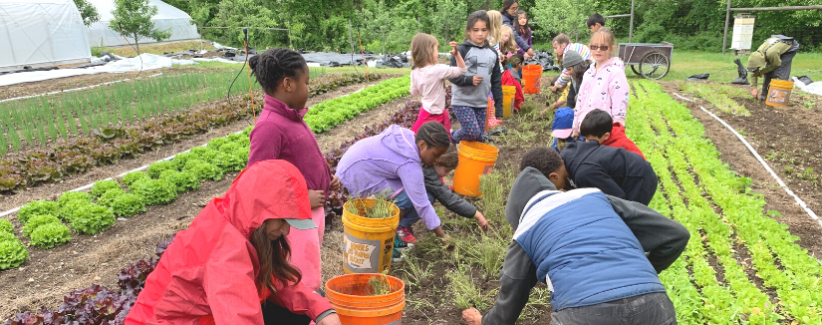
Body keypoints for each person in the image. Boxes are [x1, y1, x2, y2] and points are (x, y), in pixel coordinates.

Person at [461, 147, 689, 325]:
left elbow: (512, 293)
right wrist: (641, 272)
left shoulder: (527, 227)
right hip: (655, 306)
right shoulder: (594, 196)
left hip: (586, 314)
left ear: (518, 213)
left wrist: (487, 321)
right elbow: (676, 234)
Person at [125, 160, 341, 325]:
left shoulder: (240, 218)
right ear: (261, 212)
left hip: (204, 315)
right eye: (283, 220)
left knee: (306, 305)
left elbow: (276, 279)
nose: (286, 230)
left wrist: (321, 309)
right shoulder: (224, 254)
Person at [246, 48, 341, 292]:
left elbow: (302, 160)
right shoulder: (269, 127)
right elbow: (256, 185)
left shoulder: (291, 117)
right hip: (292, 222)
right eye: (306, 82)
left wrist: (326, 179)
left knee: (309, 273)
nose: (309, 89)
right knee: (300, 282)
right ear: (288, 84)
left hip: (309, 215)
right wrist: (300, 198)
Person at [336, 122, 452, 247]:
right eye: (435, 155)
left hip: (351, 165)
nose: (437, 160)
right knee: (405, 197)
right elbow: (422, 203)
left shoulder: (407, 138)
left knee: (418, 191)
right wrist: (442, 235)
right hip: (356, 176)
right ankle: (390, 234)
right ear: (422, 145)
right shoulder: (409, 163)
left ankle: (398, 226)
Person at [560, 128, 657, 205]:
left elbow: (618, 199)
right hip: (630, 170)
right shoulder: (567, 153)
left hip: (641, 179)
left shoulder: (584, 173)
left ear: (554, 176)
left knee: (627, 218)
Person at [449, 10, 503, 143]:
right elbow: (451, 74)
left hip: (481, 102)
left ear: (488, 30)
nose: (480, 33)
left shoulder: (492, 53)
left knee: (479, 138)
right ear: (469, 31)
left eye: (484, 30)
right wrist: (468, 80)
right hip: (462, 101)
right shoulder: (462, 50)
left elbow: (496, 80)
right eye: (476, 30)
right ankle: (451, 137)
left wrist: (499, 106)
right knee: (471, 131)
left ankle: (469, 161)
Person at [574, 28, 630, 138]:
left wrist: (617, 130)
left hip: (602, 134)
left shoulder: (615, 73)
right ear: (590, 47)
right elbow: (580, 101)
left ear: (611, 49)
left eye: (603, 47)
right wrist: (576, 127)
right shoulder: (588, 73)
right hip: (584, 130)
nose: (598, 50)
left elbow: (620, 104)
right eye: (594, 47)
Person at [421, 145, 489, 231]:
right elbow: (450, 200)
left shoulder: (423, 158)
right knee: (428, 197)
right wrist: (477, 214)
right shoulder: (428, 173)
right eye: (447, 170)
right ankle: (403, 226)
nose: (446, 175)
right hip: (400, 196)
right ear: (436, 162)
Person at [409, 33, 466, 134]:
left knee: (422, 139)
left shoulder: (414, 71)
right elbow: (462, 70)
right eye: (436, 49)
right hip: (437, 114)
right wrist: (457, 55)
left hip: (425, 113)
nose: (438, 53)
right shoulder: (438, 70)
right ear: (429, 51)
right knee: (440, 141)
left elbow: (414, 92)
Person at [746, 35, 800, 100]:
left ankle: (779, 98)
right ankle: (764, 96)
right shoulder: (758, 55)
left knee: (779, 71)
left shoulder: (771, 53)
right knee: (768, 72)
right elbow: (754, 72)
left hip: (790, 47)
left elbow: (776, 64)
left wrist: (762, 71)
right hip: (775, 49)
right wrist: (754, 88)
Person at [580, 109, 645, 160]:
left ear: (606, 136)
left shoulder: (616, 149)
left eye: (590, 140)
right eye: (585, 138)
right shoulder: (605, 133)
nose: (586, 142)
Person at [541, 50, 588, 115]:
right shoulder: (574, 77)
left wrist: (573, 113)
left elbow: (584, 102)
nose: (568, 73)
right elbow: (570, 97)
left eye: (569, 69)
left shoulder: (587, 77)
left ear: (576, 67)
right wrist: (568, 112)